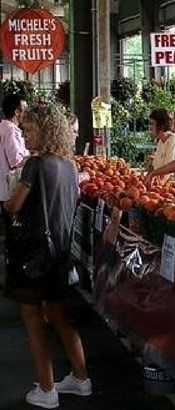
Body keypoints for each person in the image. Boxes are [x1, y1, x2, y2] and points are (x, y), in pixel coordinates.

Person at [3, 103, 91, 409]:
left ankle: (47, 389)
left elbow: (14, 206)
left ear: (45, 129)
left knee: (32, 321)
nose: (25, 136)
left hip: (32, 254)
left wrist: (11, 193)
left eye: (28, 130)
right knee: (60, 316)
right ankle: (81, 379)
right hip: (59, 255)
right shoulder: (70, 165)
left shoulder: (35, 165)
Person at [0, 93, 29, 205]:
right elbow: (16, 162)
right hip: (8, 189)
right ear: (17, 112)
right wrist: (36, 156)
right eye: (25, 109)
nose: (27, 113)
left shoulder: (5, 127)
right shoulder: (10, 130)